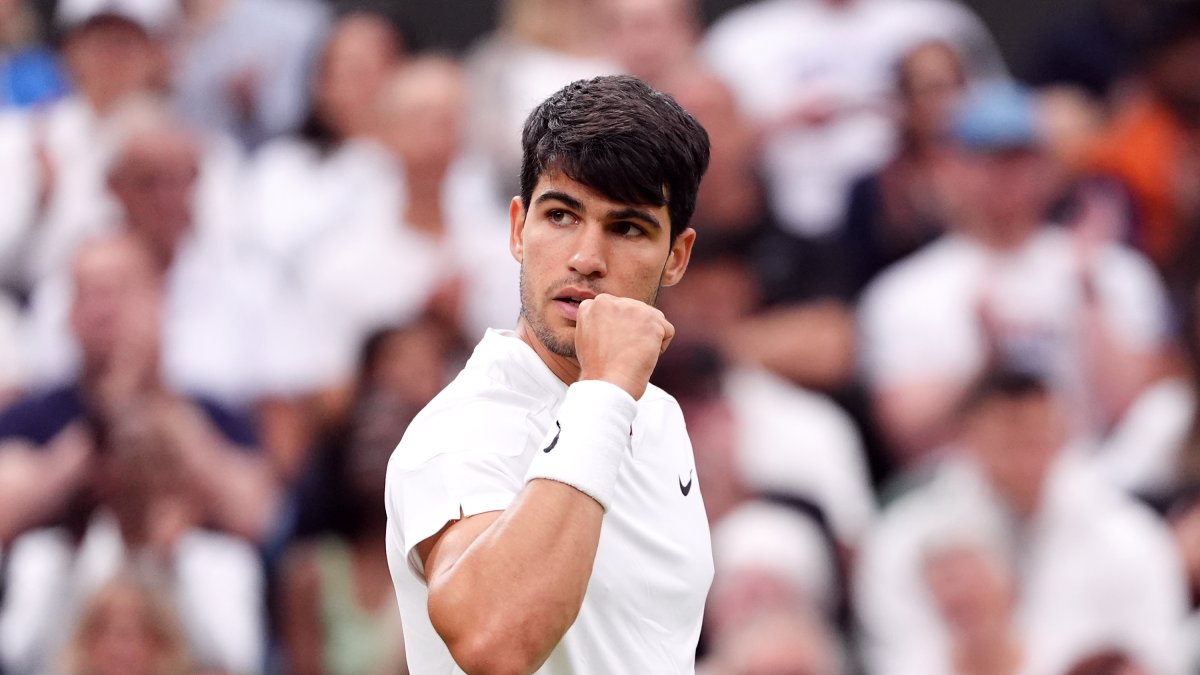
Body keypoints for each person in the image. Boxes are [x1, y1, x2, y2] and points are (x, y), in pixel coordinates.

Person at [384, 75, 711, 673]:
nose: (586, 257)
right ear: (517, 229)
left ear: (678, 257)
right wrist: (605, 391)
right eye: (561, 215)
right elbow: (493, 641)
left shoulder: (658, 413)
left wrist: (610, 394)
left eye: (628, 228)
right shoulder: (458, 431)